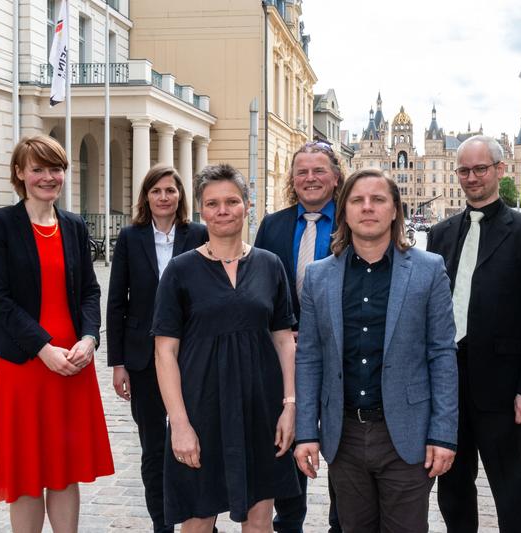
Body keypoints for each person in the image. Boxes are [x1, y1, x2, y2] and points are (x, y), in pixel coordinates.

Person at [294, 169, 458, 533]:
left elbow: (442, 354)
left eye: (378, 199)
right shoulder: (319, 277)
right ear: (344, 211)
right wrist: (306, 431)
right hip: (345, 435)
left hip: (406, 434)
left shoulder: (428, 271)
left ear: (395, 210)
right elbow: (309, 357)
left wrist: (443, 433)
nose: (368, 208)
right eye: (357, 200)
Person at [152, 164, 300, 532]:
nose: (223, 210)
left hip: (260, 409)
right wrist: (180, 425)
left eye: (232, 201)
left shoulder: (270, 265)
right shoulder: (180, 270)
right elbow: (165, 352)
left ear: (247, 206)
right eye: (213, 203)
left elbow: (284, 340)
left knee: (260, 518)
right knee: (198, 521)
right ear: (201, 209)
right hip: (201, 408)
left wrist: (290, 407)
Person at [0, 135, 114, 532]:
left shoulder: (72, 225)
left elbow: (90, 290)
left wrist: (89, 339)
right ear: (20, 173)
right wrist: (43, 349)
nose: (48, 177)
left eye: (55, 169)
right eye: (38, 169)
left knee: (64, 463)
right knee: (26, 465)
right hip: (25, 363)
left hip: (73, 361)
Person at [427, 135, 521, 533]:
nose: (471, 178)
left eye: (480, 169)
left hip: (503, 390)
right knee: (452, 486)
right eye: (463, 170)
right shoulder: (441, 233)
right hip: (449, 387)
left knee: (512, 487)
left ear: (499, 170)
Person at [106, 164, 208, 533]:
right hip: (143, 358)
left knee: (197, 439)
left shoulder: (197, 234)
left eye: (170, 190)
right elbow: (116, 301)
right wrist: (117, 362)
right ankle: (162, 524)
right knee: (154, 449)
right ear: (145, 197)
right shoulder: (131, 238)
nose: (164, 197)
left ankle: (201, 519)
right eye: (156, 191)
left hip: (193, 354)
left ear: (180, 196)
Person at [254, 139, 344, 533]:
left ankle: (342, 523)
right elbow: (256, 283)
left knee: (345, 446)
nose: (310, 179)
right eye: (302, 171)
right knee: (290, 439)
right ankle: (289, 523)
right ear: (292, 178)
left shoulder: (353, 217)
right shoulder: (273, 225)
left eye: (319, 170)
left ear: (336, 177)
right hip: (286, 355)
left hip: (343, 351)